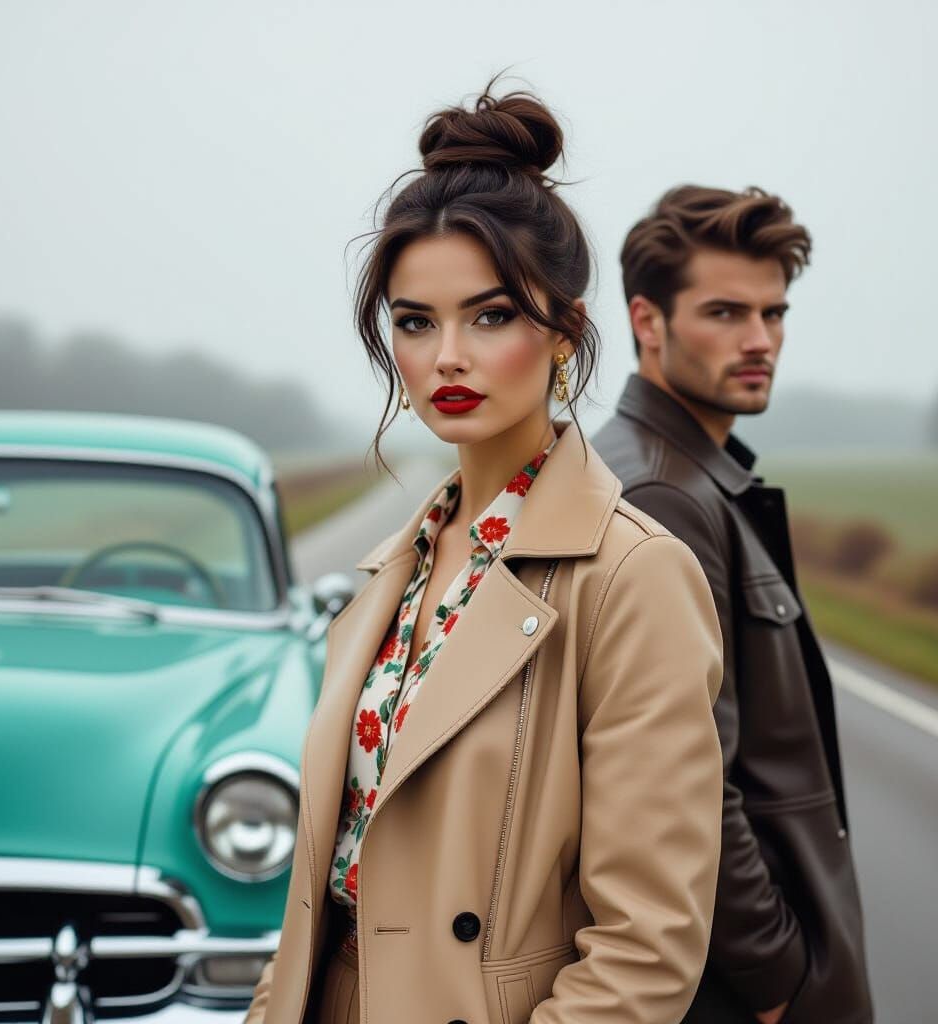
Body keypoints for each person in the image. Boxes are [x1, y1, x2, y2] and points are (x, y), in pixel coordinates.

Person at [245, 87, 725, 1024]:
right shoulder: (397, 569)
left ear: (565, 334)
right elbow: (316, 888)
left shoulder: (633, 577)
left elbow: (646, 950)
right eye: (415, 321)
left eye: (492, 315)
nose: (447, 356)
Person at [593, 186, 874, 1024]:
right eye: (725, 312)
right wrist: (777, 979)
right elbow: (681, 781)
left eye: (774, 313)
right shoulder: (664, 492)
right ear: (649, 322)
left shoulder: (681, 474)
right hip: (735, 988)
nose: (760, 341)